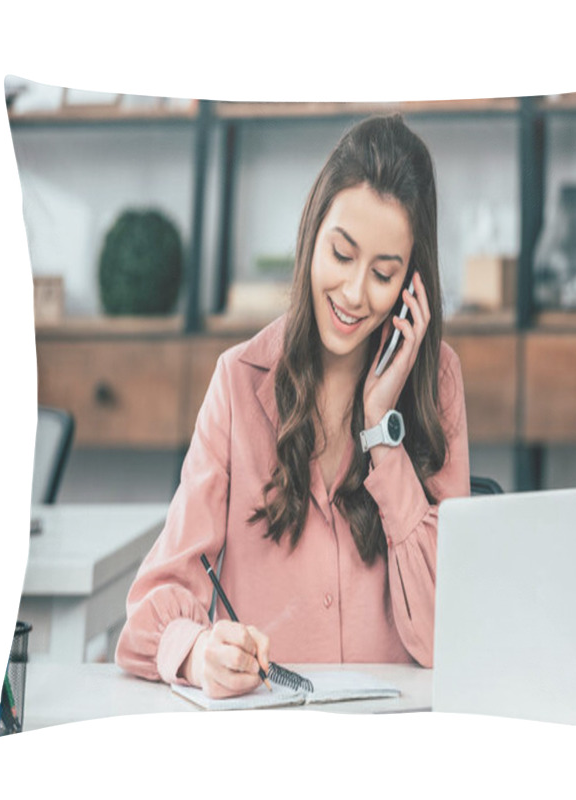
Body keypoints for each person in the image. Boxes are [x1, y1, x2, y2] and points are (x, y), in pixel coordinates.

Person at [115, 114, 470, 698]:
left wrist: (383, 430)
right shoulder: (237, 383)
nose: (355, 294)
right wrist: (201, 652)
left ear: (412, 285)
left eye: (384, 274)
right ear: (311, 238)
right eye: (341, 255)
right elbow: (147, 611)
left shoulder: (438, 384)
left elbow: (443, 636)